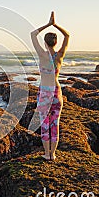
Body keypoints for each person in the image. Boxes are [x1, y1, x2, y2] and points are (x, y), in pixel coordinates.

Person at [30, 11, 70, 161]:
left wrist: (48, 24)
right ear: (56, 42)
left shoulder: (42, 54)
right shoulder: (59, 56)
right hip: (57, 92)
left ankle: (47, 154)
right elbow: (67, 36)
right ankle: (53, 154)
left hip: (45, 93)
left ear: (45, 42)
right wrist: (56, 25)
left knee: (45, 125)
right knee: (55, 124)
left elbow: (33, 34)